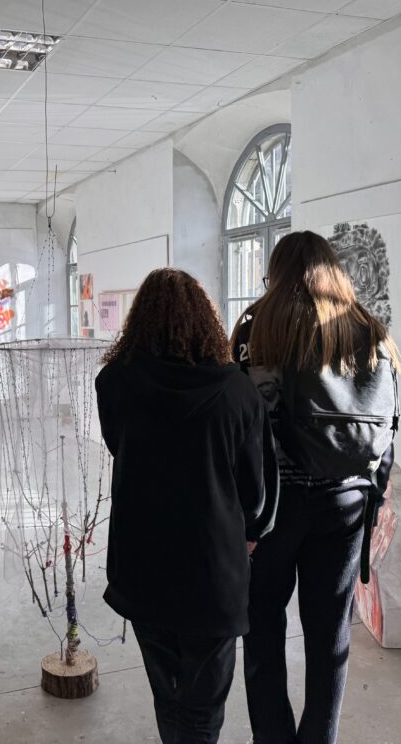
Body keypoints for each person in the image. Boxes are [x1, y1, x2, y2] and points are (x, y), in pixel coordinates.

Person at [232, 231, 401, 744]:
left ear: (277, 274)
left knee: (263, 631)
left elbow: (242, 424)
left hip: (273, 507)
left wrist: (240, 510)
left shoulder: (258, 326)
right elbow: (388, 425)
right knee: (330, 642)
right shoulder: (372, 332)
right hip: (346, 505)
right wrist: (375, 495)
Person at [95, 268, 278, 744]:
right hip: (212, 568)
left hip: (141, 562)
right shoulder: (238, 392)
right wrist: (252, 532)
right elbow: (256, 489)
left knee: (167, 693)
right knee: (203, 705)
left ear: (139, 321)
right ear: (205, 321)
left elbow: (119, 447)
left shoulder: (114, 382)